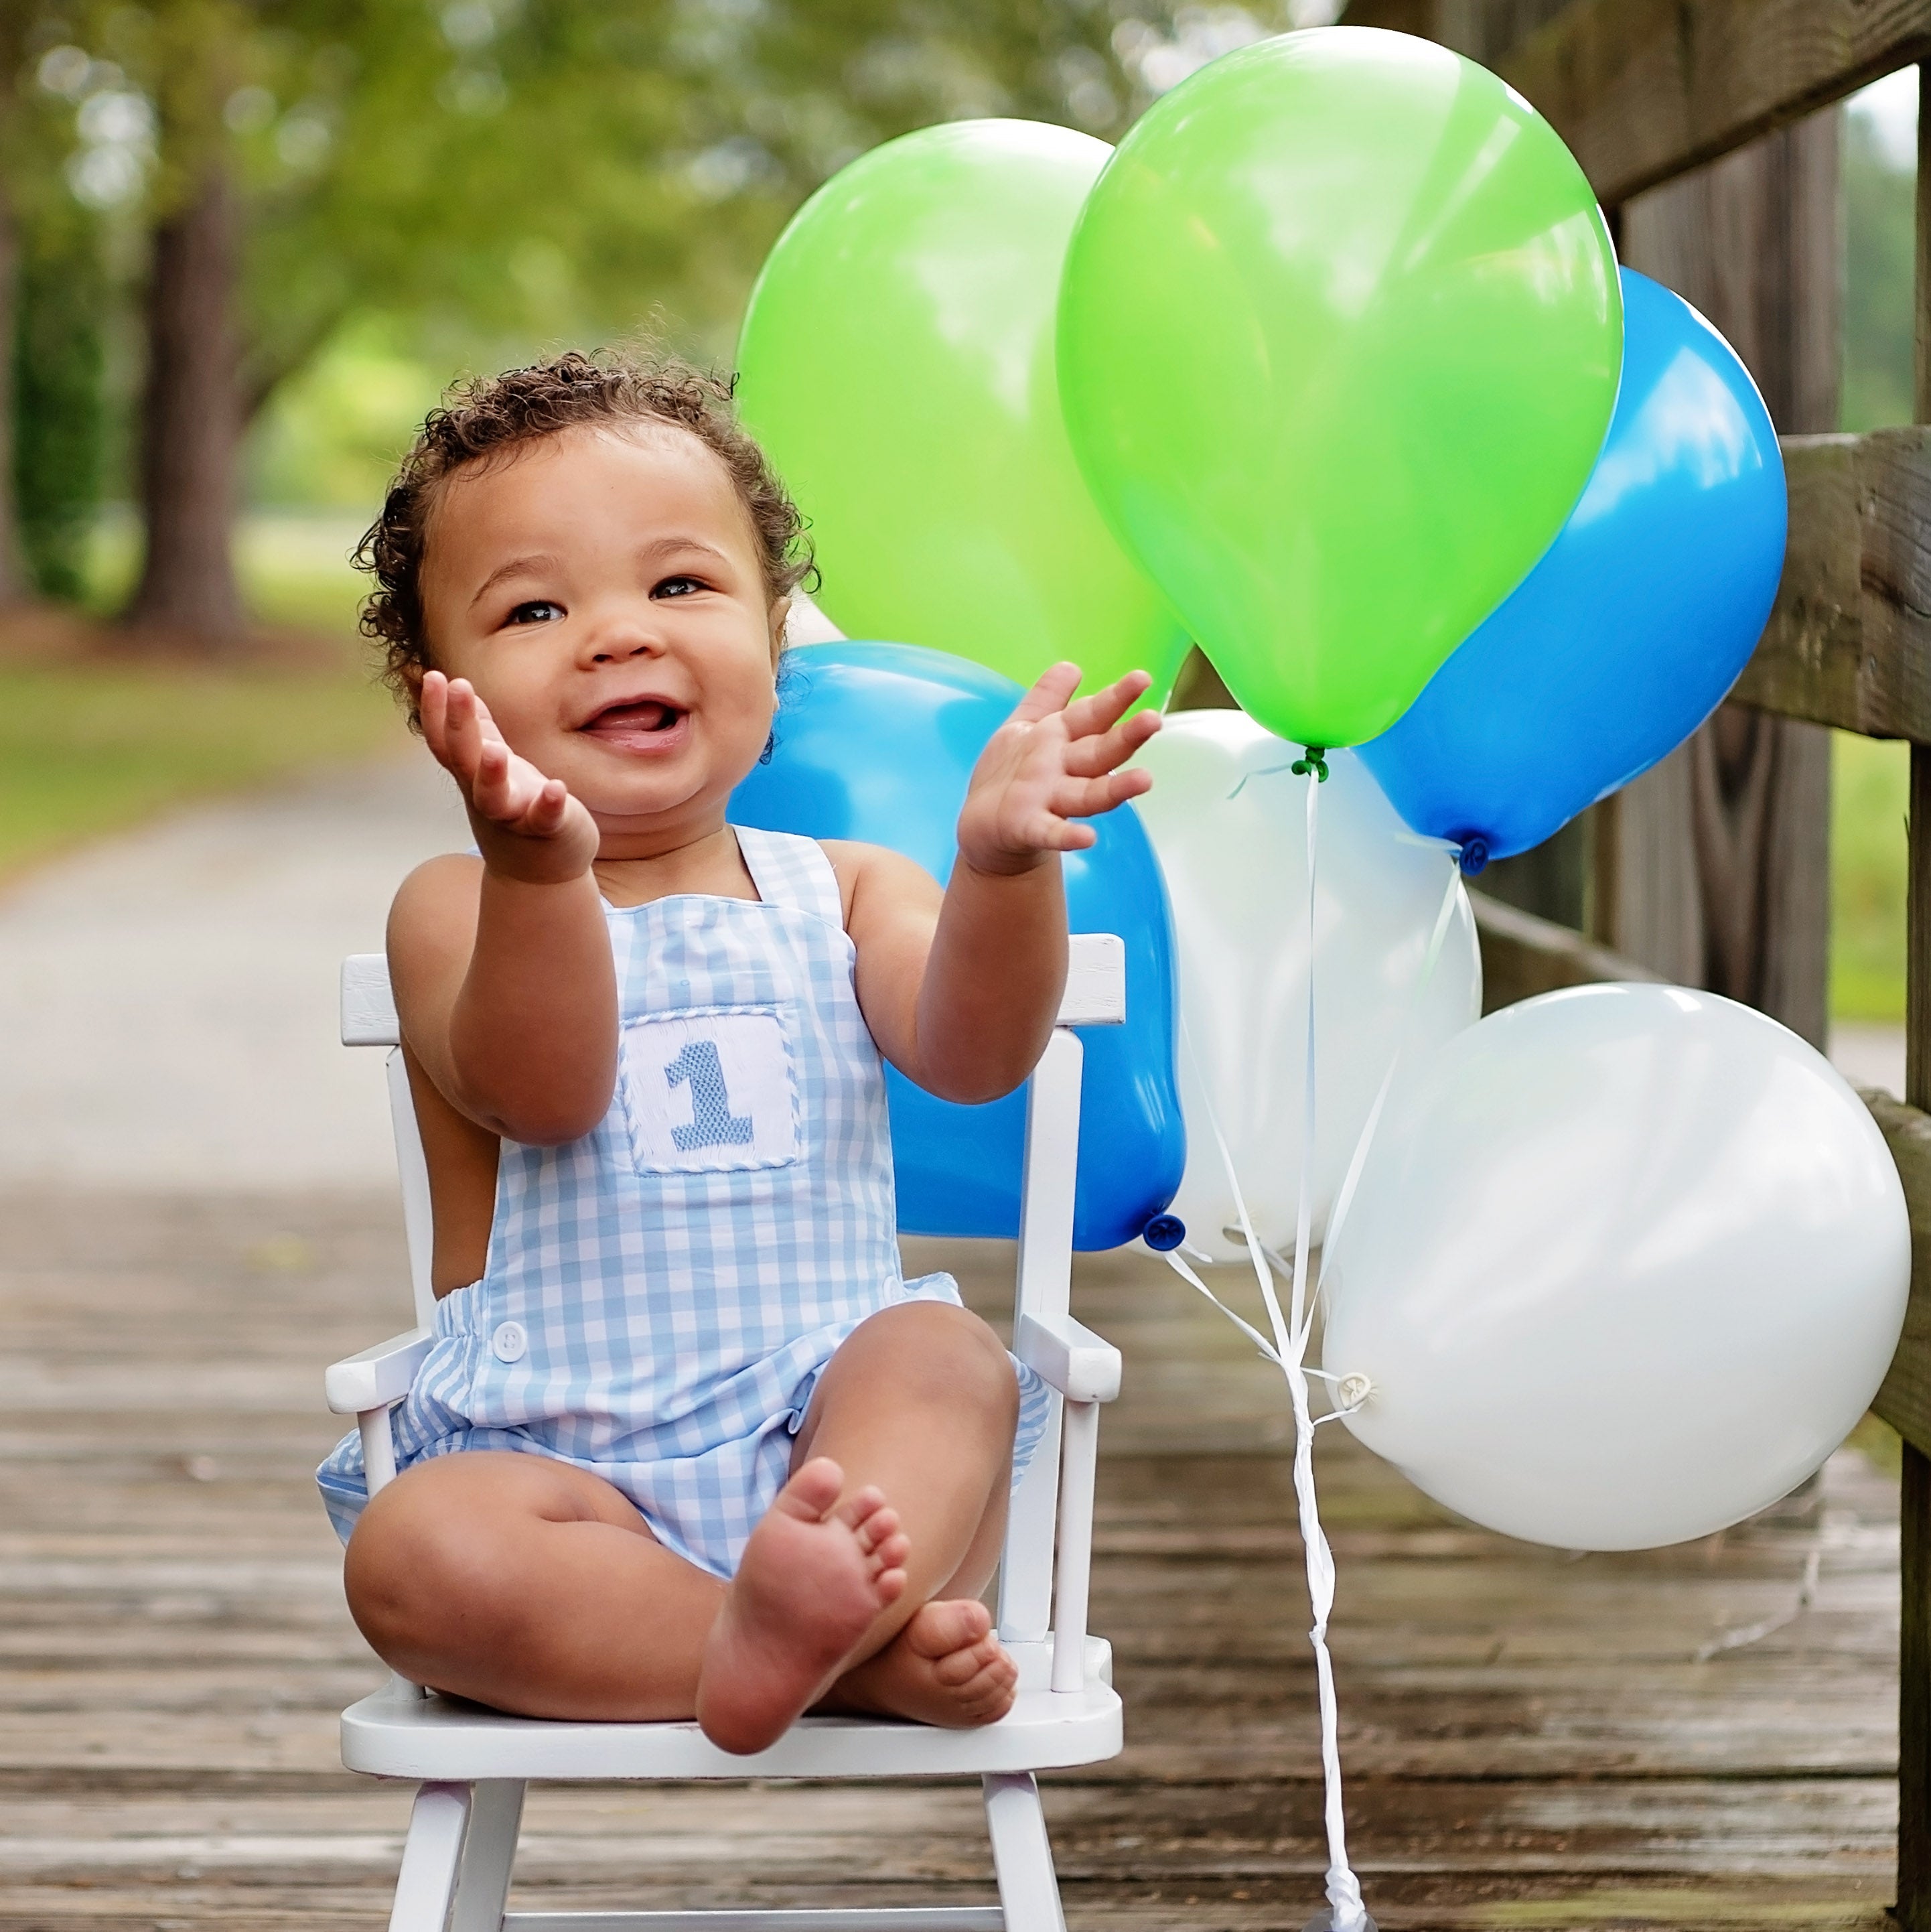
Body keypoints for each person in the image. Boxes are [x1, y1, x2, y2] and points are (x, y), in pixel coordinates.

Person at [315, 350, 1159, 1752]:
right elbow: (543, 1087)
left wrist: (1000, 868)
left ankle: (809, 1616)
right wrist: (537, 877)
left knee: (942, 1355)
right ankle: (798, 1649)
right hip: (554, 1470)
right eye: (533, 606)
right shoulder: (455, 906)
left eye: (679, 585)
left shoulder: (848, 886)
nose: (615, 634)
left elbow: (972, 1052)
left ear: (773, 643)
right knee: (411, 1550)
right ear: (436, 699)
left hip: (829, 1461)